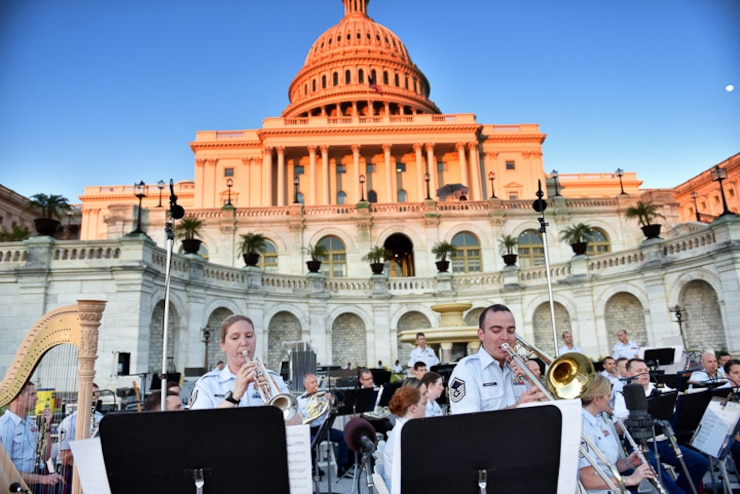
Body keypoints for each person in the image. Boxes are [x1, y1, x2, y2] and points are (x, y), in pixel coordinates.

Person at [614, 358, 708, 494]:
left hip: (663, 441)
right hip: (639, 444)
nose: (644, 374)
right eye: (639, 371)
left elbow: (678, 399)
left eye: (646, 370)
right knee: (656, 467)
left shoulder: (661, 387)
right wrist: (634, 414)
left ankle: (680, 491)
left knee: (700, 462)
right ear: (629, 374)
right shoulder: (623, 394)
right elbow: (620, 427)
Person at [188, 315, 298, 424]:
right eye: (235, 338)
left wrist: (275, 395)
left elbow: (298, 422)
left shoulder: (274, 379)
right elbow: (197, 426)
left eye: (249, 336)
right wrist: (234, 397)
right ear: (223, 345)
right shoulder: (207, 384)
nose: (244, 343)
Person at [449, 304, 544, 414]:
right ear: (481, 334)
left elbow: (548, 406)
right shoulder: (467, 370)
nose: (505, 337)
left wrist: (530, 378)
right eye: (496, 331)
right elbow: (466, 423)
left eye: (511, 331)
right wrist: (518, 408)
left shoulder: (520, 366)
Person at [579, 374, 655, 492]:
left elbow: (607, 466)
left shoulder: (600, 420)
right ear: (596, 399)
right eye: (608, 395)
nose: (610, 399)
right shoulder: (583, 428)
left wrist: (628, 462)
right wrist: (629, 479)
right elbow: (588, 480)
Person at [0, 381, 65, 492]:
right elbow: (6, 471)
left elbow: (45, 456)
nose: (37, 398)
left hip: (39, 474)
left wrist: (47, 427)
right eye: (32, 395)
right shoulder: (4, 427)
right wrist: (42, 479)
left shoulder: (30, 423)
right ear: (17, 398)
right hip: (21, 484)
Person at [297, 374, 352, 477]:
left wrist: (330, 401)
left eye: (316, 382)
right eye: (312, 382)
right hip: (310, 429)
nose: (315, 385)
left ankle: (342, 467)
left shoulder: (322, 397)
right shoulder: (300, 400)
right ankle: (314, 469)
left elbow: (333, 409)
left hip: (324, 428)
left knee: (344, 437)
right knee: (310, 443)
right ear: (306, 385)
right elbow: (300, 418)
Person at [57, 384, 104, 493]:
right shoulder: (68, 423)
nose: (95, 401)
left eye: (97, 398)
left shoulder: (100, 418)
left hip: (96, 466)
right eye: (92, 397)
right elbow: (64, 459)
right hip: (73, 468)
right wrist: (84, 442)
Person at [381, 386, 426, 493]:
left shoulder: (403, 428)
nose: (425, 408)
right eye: (423, 404)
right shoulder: (405, 433)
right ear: (413, 408)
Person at [357, 367, 393, 438]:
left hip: (380, 419)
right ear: (361, 380)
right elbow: (353, 416)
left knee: (389, 427)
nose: (370, 381)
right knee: (362, 433)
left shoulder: (379, 390)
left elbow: (385, 405)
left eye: (371, 378)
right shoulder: (357, 393)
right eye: (367, 379)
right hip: (365, 420)